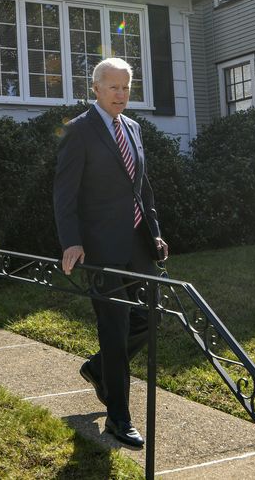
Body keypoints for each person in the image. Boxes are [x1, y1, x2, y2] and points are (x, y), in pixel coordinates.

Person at [53, 57, 168, 448]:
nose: (121, 94)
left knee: (150, 318)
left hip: (137, 244)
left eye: (126, 87)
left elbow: (142, 188)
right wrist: (71, 241)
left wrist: (154, 232)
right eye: (114, 87)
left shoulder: (134, 128)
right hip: (100, 249)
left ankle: (99, 368)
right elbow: (64, 194)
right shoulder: (79, 131)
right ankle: (119, 418)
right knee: (114, 329)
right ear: (96, 89)